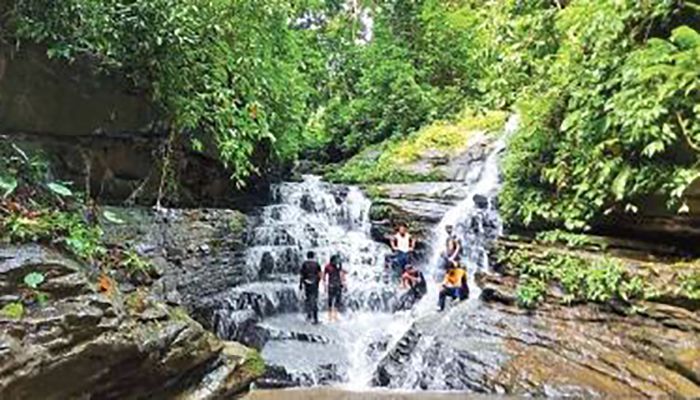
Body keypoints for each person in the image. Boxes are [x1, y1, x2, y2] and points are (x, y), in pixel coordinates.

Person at [299, 251, 322, 324]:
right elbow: (319, 275)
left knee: (308, 299)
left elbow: (302, 275)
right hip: (314, 284)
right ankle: (315, 318)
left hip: (307, 283)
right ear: (313, 256)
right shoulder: (317, 264)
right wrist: (318, 283)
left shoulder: (305, 264)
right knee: (314, 300)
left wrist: (300, 284)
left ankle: (309, 316)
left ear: (307, 256)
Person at [324, 254, 346, 322]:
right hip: (332, 285)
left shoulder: (338, 266)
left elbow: (342, 274)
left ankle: (335, 316)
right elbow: (324, 275)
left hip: (337, 285)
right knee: (330, 301)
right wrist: (324, 285)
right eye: (336, 260)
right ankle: (330, 316)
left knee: (337, 301)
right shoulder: (328, 266)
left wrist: (344, 283)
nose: (337, 261)